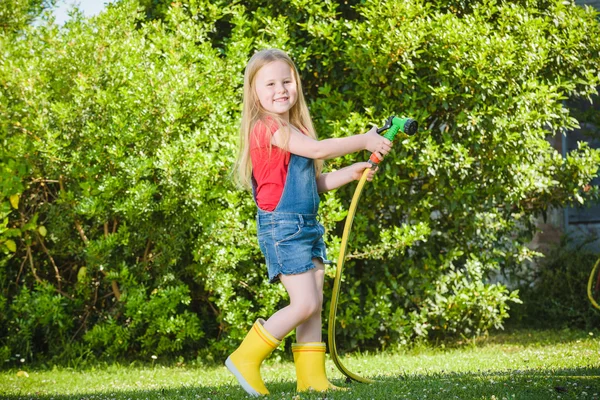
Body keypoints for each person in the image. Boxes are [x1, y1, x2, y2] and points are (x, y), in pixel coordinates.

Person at [228, 48, 392, 396]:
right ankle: (245, 357)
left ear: (296, 84)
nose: (280, 89)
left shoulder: (294, 126)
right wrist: (363, 140)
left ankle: (312, 379)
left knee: (313, 305)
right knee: (303, 304)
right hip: (283, 227)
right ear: (254, 92)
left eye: (287, 81)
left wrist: (348, 173)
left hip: (305, 224)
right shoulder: (265, 127)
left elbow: (310, 184)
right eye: (269, 83)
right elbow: (318, 150)